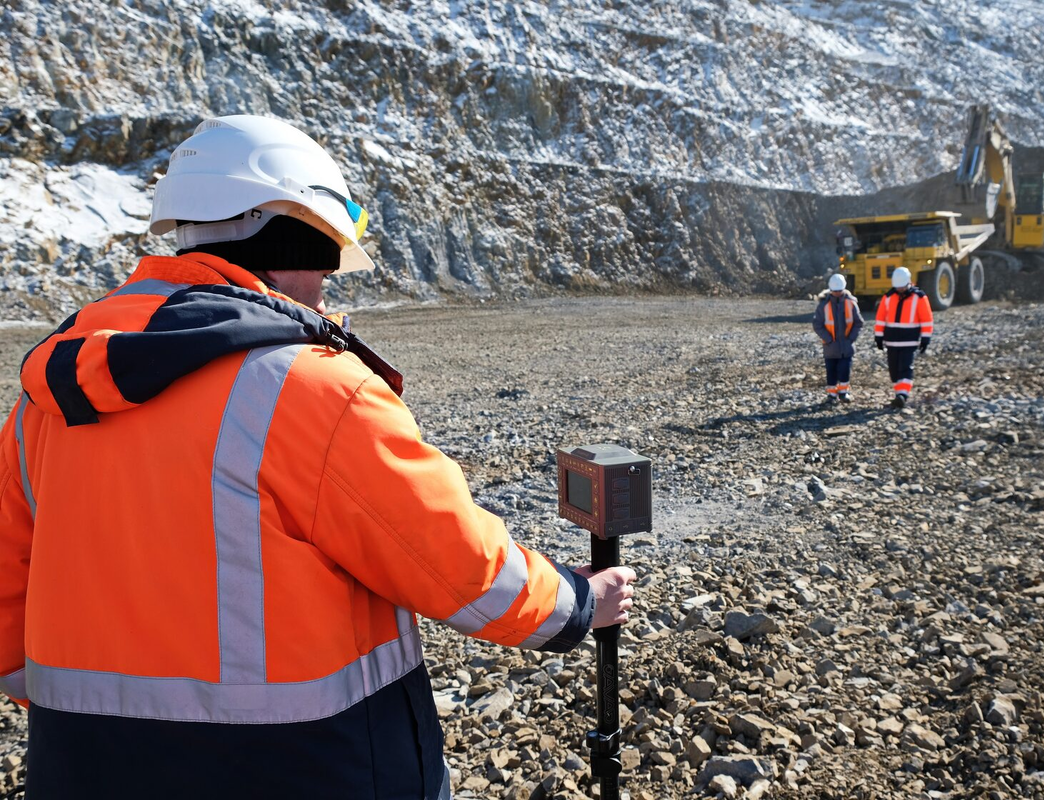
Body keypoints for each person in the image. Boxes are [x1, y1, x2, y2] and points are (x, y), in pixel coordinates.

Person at [0, 115, 637, 800]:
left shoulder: (48, 400)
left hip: (85, 769)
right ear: (286, 235)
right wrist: (576, 603)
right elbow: (456, 562)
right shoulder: (308, 390)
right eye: (327, 255)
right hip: (304, 767)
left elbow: (8, 597)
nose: (328, 286)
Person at [874, 267, 933, 409]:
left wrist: (925, 339)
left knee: (905, 368)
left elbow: (926, 319)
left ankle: (902, 395)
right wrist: (879, 337)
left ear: (908, 283)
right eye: (897, 287)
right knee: (894, 370)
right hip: (892, 341)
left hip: (909, 340)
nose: (899, 290)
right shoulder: (888, 297)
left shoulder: (919, 297)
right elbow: (881, 318)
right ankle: (899, 394)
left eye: (902, 287)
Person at [811, 273, 863, 403]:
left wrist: (851, 338)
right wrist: (828, 339)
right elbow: (817, 324)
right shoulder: (823, 305)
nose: (837, 293)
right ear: (830, 290)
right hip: (830, 347)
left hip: (846, 346)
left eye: (839, 291)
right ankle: (832, 395)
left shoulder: (851, 304)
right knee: (831, 371)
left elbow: (858, 322)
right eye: (835, 291)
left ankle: (843, 393)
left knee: (845, 370)